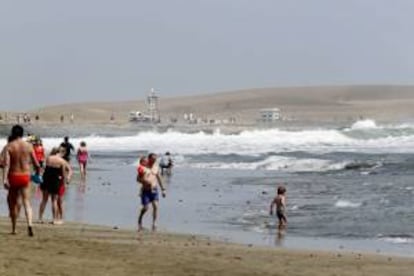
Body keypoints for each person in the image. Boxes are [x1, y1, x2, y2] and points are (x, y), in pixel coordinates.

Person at [1, 125, 40, 236]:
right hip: (25, 176)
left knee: (13, 203)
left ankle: (14, 229)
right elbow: (37, 164)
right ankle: (30, 225)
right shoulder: (29, 146)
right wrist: (37, 174)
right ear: (22, 134)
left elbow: (6, 164)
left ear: (13, 133)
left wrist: (4, 179)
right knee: (27, 202)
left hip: (13, 176)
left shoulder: (10, 146)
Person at [38, 147, 72, 224]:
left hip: (46, 179)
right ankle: (54, 219)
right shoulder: (62, 161)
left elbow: (43, 168)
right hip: (55, 180)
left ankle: (40, 218)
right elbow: (63, 173)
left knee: (44, 200)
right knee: (54, 200)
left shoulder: (49, 158)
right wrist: (65, 182)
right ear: (61, 153)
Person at [137, 153, 166, 231]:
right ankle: (140, 220)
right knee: (146, 208)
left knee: (155, 206)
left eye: (155, 160)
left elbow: (159, 178)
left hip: (154, 190)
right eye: (152, 160)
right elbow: (138, 179)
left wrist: (163, 189)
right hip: (145, 190)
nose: (154, 161)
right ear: (149, 159)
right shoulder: (143, 167)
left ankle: (154, 223)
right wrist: (145, 182)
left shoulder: (156, 167)